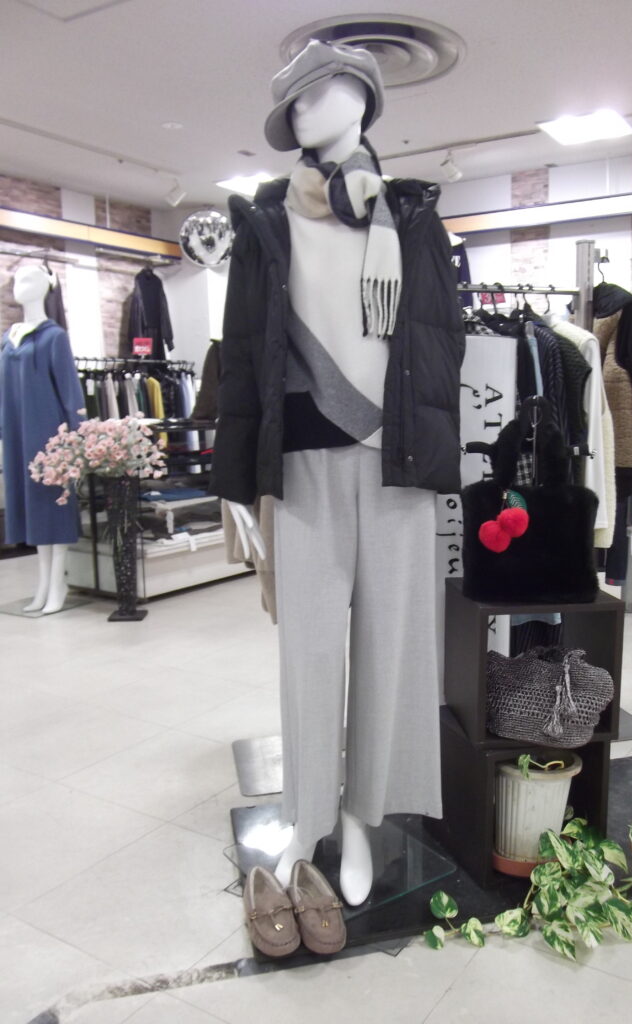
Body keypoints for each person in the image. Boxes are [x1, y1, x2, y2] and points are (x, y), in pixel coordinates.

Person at [210, 40, 464, 904]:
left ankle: (362, 817)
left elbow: (438, 345)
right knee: (310, 656)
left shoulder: (412, 217)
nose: (305, 110)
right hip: (304, 463)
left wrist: (443, 459)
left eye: (320, 91)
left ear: (362, 96)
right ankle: (307, 816)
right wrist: (237, 482)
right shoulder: (267, 222)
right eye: (295, 101)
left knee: (394, 654)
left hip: (397, 465)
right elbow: (244, 352)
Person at [0, 264, 83, 613]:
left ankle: (57, 584)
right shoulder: (8, 338)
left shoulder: (54, 337)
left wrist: (75, 440)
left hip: (49, 436)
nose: (21, 284)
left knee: (51, 505)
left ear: (47, 286)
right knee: (29, 506)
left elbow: (70, 392)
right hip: (17, 436)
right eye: (17, 278)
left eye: (30, 278)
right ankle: (43, 583)